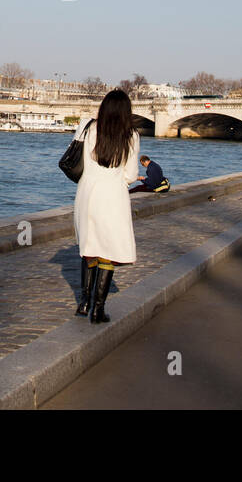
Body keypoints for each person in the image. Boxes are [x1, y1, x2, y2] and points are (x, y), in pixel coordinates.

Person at [73, 89, 140, 324]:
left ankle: (84, 302)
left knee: (90, 245)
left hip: (87, 192)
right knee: (108, 251)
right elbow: (131, 175)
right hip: (113, 194)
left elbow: (77, 160)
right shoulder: (131, 135)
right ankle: (98, 309)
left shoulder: (89, 127)